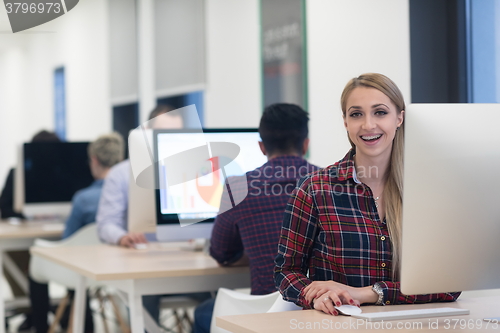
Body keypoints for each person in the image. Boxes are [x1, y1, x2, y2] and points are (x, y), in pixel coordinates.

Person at [274, 73, 461, 316]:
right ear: (345, 122)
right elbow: (286, 272)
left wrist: (364, 293)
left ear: (399, 118)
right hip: (339, 325)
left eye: (380, 112)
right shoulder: (315, 189)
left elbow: (449, 284)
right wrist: (317, 296)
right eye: (356, 114)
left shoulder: (428, 189)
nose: (368, 125)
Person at [193, 103, 319, 333]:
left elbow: (221, 253)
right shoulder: (329, 184)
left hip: (267, 315)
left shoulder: (238, 187)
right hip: (320, 311)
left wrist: (254, 251)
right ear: (306, 144)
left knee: (202, 312)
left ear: (261, 147)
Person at [96, 105, 210, 323]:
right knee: (144, 302)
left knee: (217, 300)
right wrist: (122, 236)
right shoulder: (120, 174)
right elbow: (105, 224)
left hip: (189, 263)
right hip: (144, 265)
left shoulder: (195, 171)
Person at [30, 132, 124, 333]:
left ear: (94, 160)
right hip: (119, 267)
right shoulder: (128, 194)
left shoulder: (83, 199)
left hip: (85, 270)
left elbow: (67, 241)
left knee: (37, 259)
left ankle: (41, 327)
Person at [0, 130, 61, 332]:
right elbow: (4, 207)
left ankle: (54, 312)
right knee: (18, 262)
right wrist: (28, 215)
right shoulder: (17, 173)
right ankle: (31, 312)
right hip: (22, 242)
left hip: (57, 241)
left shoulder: (61, 174)